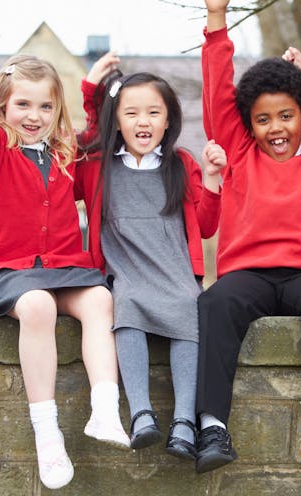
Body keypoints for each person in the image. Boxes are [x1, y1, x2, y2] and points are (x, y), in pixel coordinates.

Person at [0, 5, 128, 490]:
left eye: (46, 107)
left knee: (101, 300)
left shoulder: (66, 154)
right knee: (36, 307)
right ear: (4, 109)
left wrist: (90, 83)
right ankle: (47, 436)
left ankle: (105, 409)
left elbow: (95, 129)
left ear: (57, 111)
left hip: (68, 268)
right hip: (13, 272)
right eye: (23, 106)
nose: (34, 116)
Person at [194, 0, 301, 474]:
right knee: (212, 304)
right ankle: (211, 426)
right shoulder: (239, 152)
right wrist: (215, 20)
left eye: (286, 116)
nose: (276, 128)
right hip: (248, 274)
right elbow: (216, 94)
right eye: (264, 119)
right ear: (248, 124)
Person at [75, 55, 224, 460]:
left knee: (190, 307)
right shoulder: (95, 167)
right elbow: (74, 146)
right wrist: (91, 88)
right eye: (132, 113)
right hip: (128, 275)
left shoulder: (181, 165)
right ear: (116, 119)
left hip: (176, 275)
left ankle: (183, 423)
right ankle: (141, 413)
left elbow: (207, 225)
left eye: (154, 112)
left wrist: (212, 179)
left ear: (168, 120)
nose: (143, 122)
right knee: (125, 304)